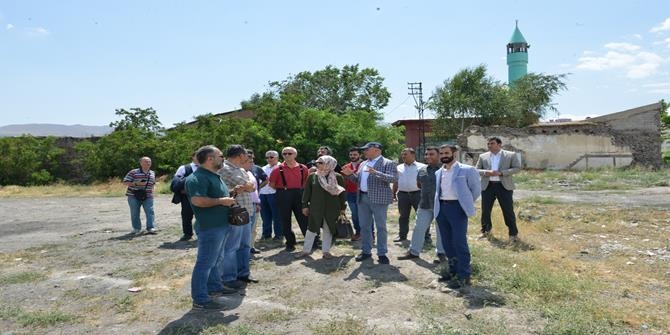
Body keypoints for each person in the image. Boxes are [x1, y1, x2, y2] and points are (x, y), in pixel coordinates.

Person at [185, 145, 236, 310]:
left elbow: (215, 195)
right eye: (220, 156)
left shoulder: (214, 175)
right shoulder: (197, 178)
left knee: (216, 260)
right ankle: (200, 299)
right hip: (210, 228)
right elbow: (197, 200)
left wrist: (231, 193)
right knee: (205, 263)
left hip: (220, 226)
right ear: (209, 159)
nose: (223, 158)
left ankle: (215, 287)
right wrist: (221, 201)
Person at [341, 142, 398, 265]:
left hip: (379, 199)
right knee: (364, 226)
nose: (364, 152)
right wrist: (350, 174)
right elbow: (358, 180)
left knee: (381, 227)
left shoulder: (387, 163)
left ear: (377, 150)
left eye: (367, 149)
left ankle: (382, 253)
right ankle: (366, 251)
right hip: (363, 198)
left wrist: (376, 172)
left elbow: (393, 178)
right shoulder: (363, 163)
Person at [434, 144, 481, 289]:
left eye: (446, 152)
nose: (443, 155)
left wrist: (465, 203)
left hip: (457, 209)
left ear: (454, 153)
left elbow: (476, 189)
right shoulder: (438, 172)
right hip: (442, 208)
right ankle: (453, 271)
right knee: (447, 243)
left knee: (459, 242)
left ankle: (464, 275)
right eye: (441, 153)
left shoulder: (466, 170)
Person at [218, 145, 257, 289]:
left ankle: (243, 274)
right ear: (240, 155)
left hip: (246, 212)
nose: (247, 157)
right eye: (246, 154)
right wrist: (247, 186)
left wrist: (248, 186)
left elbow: (251, 187)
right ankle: (229, 277)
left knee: (245, 245)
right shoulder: (224, 168)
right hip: (235, 213)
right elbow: (246, 185)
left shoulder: (240, 169)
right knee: (231, 246)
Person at [397, 146, 446, 262]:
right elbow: (419, 184)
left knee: (441, 230)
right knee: (418, 228)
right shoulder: (422, 170)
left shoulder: (444, 169)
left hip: (441, 205)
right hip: (424, 205)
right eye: (426, 154)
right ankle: (414, 252)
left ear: (439, 155)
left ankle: (441, 253)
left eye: (431, 154)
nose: (428, 156)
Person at [296, 155, 347, 259]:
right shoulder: (312, 176)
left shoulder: (338, 177)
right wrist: (304, 205)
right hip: (316, 207)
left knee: (328, 229)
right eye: (317, 162)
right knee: (311, 229)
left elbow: (342, 194)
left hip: (332, 208)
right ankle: (306, 250)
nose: (317, 164)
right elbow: (307, 192)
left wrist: (343, 208)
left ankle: (326, 251)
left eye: (320, 162)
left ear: (329, 164)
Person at [475, 136, 522, 242]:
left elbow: (517, 168)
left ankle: (513, 235)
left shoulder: (510, 155)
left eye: (492, 143)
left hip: (504, 186)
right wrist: (486, 172)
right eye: (488, 144)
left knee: (508, 210)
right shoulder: (483, 156)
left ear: (499, 144)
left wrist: (502, 173)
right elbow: (476, 169)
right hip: (488, 186)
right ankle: (486, 232)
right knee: (485, 210)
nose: (489, 145)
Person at [268, 146, 309, 252]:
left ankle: (310, 241)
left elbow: (306, 182)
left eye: (289, 153)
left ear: (295, 155)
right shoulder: (277, 169)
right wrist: (284, 190)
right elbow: (272, 184)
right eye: (284, 154)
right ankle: (290, 242)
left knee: (303, 217)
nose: (286, 155)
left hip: (299, 193)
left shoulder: (303, 168)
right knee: (285, 219)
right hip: (283, 193)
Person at [392, 148, 426, 242]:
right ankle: (402, 236)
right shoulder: (399, 167)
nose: (403, 156)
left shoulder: (422, 167)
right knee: (403, 216)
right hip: (403, 195)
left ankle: (426, 236)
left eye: (405, 154)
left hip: (418, 194)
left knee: (422, 216)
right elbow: (395, 181)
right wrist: (393, 193)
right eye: (402, 154)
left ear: (413, 155)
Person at [122, 156, 157, 235]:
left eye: (149, 162)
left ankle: (150, 228)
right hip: (133, 196)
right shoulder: (133, 172)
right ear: (141, 163)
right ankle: (136, 228)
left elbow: (153, 183)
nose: (148, 163)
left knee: (150, 211)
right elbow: (125, 182)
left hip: (148, 196)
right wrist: (137, 183)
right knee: (135, 212)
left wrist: (152, 192)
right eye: (145, 161)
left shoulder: (152, 173)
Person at [170, 152, 198, 241]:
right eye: (197, 155)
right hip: (187, 197)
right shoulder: (184, 168)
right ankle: (187, 234)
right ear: (192, 157)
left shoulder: (208, 167)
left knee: (203, 216)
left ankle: (201, 233)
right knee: (186, 215)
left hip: (204, 196)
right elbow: (176, 183)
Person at [245, 149, 267, 254]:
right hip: (243, 204)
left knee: (253, 227)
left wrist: (257, 202)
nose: (251, 160)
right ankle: (244, 248)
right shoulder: (238, 171)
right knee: (244, 228)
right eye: (249, 158)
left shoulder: (254, 170)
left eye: (252, 158)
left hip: (254, 202)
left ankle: (251, 246)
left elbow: (264, 181)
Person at [259, 150, 283, 240]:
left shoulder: (282, 167)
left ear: (277, 158)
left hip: (275, 193)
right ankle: (266, 234)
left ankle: (279, 234)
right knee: (265, 216)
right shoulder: (263, 168)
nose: (269, 159)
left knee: (277, 216)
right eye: (267, 157)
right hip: (263, 194)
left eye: (271, 157)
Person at [341, 147, 363, 241]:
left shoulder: (364, 165)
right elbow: (344, 181)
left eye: (355, 154)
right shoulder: (346, 167)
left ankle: (371, 234)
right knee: (354, 214)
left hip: (362, 193)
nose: (352, 156)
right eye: (351, 155)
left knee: (365, 214)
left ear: (360, 155)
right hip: (350, 193)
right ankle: (358, 233)